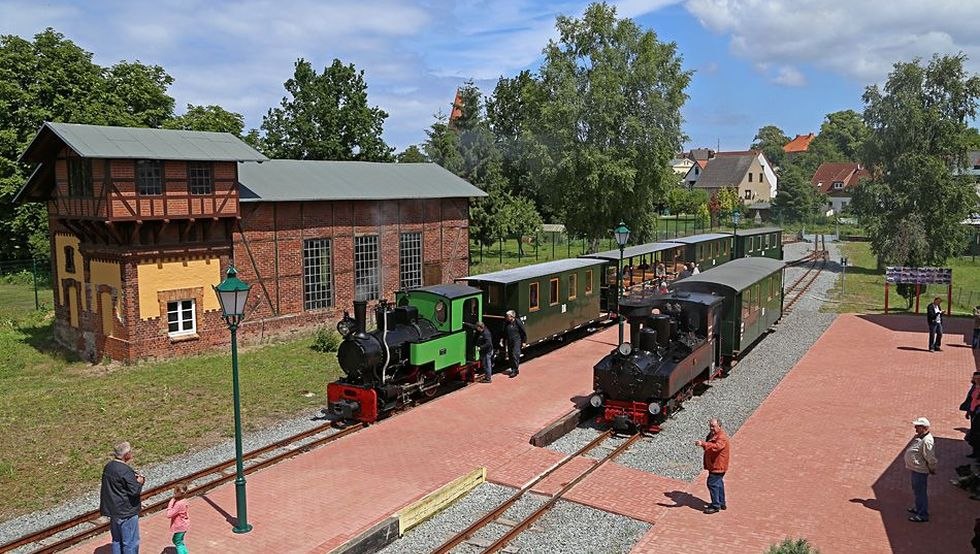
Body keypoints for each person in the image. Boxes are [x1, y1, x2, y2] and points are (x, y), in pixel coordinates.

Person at [100, 441, 145, 554]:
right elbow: (134, 491)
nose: (131, 453)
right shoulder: (125, 470)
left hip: (113, 511)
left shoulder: (109, 467)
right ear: (126, 455)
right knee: (130, 542)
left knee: (117, 540)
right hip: (126, 512)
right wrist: (139, 482)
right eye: (130, 451)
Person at [904, 417, 938, 522]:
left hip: (920, 470)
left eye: (917, 426)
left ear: (924, 428)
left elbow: (930, 457)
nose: (915, 428)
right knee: (917, 490)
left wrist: (932, 468)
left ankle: (922, 514)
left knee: (920, 492)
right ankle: (918, 508)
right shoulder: (921, 436)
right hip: (916, 469)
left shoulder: (927, 441)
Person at [695, 418, 730, 514]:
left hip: (718, 466)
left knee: (712, 483)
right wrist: (703, 444)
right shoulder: (714, 435)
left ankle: (715, 505)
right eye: (710, 426)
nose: (711, 428)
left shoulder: (721, 437)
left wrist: (703, 444)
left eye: (713, 426)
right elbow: (710, 445)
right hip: (715, 465)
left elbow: (716, 447)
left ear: (719, 426)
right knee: (718, 483)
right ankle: (721, 503)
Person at [166, 484, 190, 554]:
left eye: (174, 492)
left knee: (178, 542)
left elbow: (169, 515)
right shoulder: (184, 500)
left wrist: (170, 504)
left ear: (177, 493)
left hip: (180, 526)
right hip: (184, 524)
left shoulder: (178, 504)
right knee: (177, 540)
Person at [504, 310, 528, 378]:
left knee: (515, 354)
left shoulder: (518, 322)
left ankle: (515, 370)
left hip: (517, 340)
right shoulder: (507, 323)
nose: (506, 317)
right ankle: (513, 368)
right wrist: (503, 339)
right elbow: (504, 331)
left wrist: (524, 341)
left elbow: (523, 332)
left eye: (507, 316)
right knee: (510, 355)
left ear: (512, 317)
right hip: (509, 340)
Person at [961, 372, 980, 458]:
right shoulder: (974, 387)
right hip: (973, 412)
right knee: (974, 432)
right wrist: (968, 412)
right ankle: (975, 452)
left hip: (978, 413)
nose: (976, 380)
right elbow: (970, 399)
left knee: (976, 433)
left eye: (978, 379)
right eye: (975, 378)